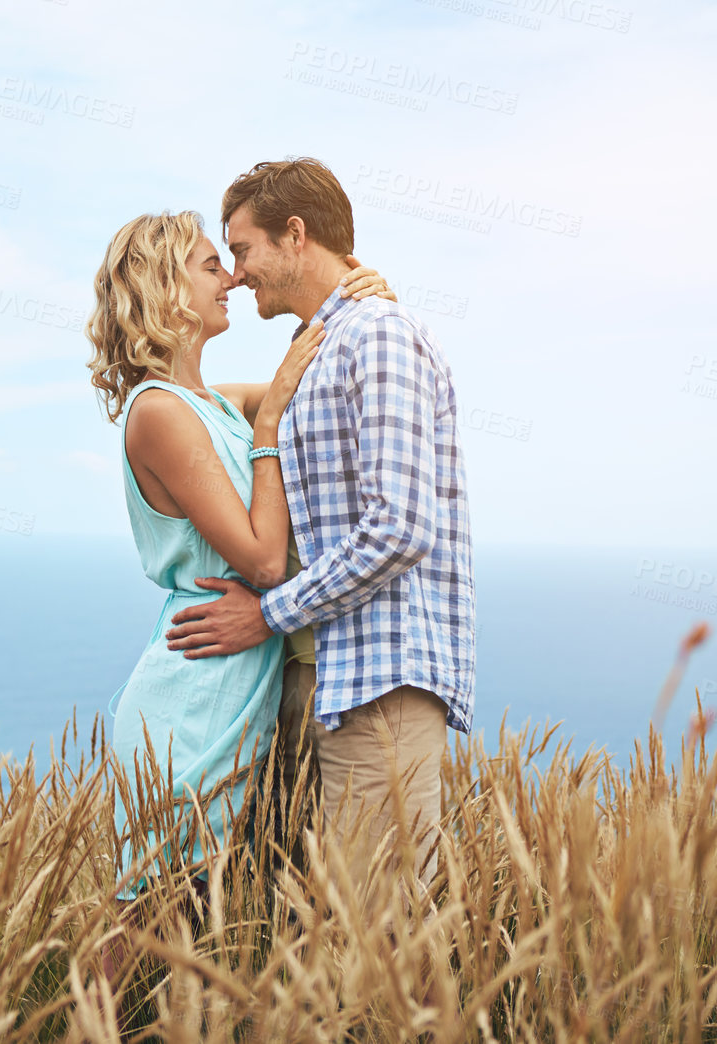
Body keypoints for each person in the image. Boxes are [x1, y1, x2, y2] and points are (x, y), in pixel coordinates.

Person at [166, 158, 475, 894]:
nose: (236, 275)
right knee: (306, 931)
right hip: (319, 679)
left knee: (377, 945)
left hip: (378, 688)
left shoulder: (380, 337)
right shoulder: (318, 348)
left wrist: (265, 616)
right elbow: (197, 404)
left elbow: (399, 529)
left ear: (294, 235)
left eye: (241, 251)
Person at [85, 209, 394, 907]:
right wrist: (266, 428)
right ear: (166, 289)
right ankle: (84, 1022)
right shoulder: (160, 412)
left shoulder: (207, 404)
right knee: (149, 916)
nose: (230, 277)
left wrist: (356, 295)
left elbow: (305, 386)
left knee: (203, 921)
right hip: (193, 698)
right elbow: (260, 560)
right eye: (208, 265)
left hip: (234, 691)